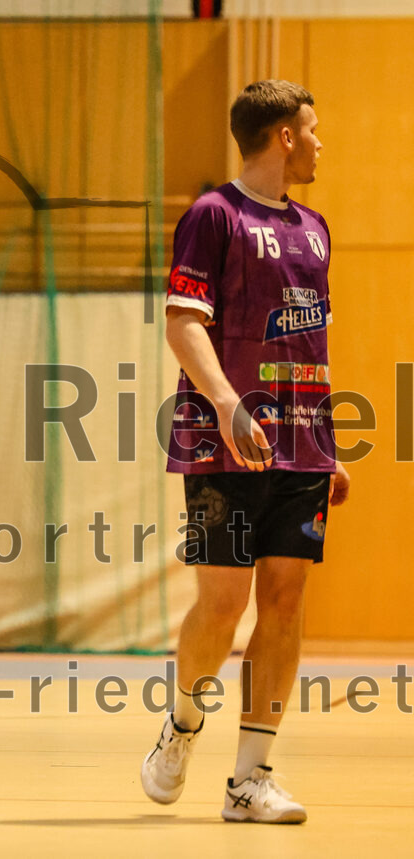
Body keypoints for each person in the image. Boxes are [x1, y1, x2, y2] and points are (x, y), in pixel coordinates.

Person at [141, 80, 350, 823]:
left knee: (286, 602)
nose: (322, 142)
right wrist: (228, 406)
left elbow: (306, 341)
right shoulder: (214, 215)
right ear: (284, 137)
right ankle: (184, 724)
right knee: (222, 604)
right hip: (223, 442)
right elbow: (183, 324)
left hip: (302, 447)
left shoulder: (316, 228)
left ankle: (250, 777)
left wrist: (326, 442)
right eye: (313, 129)